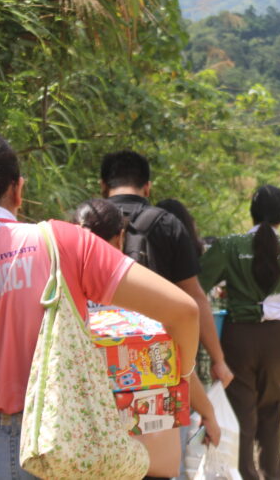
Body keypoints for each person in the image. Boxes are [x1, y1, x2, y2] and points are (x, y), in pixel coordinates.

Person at [0, 128, 199, 479]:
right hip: (67, 443)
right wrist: (182, 376)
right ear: (18, 189)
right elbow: (184, 311)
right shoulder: (62, 243)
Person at [74, 199, 221, 480]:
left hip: (82, 440)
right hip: (140, 442)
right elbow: (177, 356)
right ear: (120, 238)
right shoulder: (136, 288)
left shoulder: (59, 289)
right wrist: (208, 412)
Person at [101, 150, 234, 390]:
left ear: (103, 186)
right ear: (148, 187)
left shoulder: (81, 222)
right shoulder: (167, 224)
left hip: (96, 356)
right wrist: (219, 360)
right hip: (154, 358)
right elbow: (195, 297)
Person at [198, 185, 280, 480]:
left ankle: (244, 474)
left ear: (252, 211)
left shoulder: (229, 246)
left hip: (238, 336)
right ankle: (273, 474)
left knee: (241, 409)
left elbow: (196, 286)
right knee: (272, 407)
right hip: (278, 340)